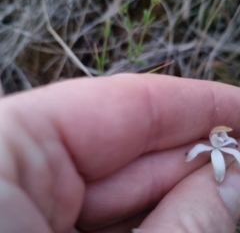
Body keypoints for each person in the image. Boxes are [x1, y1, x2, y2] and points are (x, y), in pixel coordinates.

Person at [0, 73, 239, 233]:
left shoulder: (227, 149)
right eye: (219, 134)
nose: (221, 135)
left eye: (222, 135)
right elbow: (194, 155)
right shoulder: (208, 150)